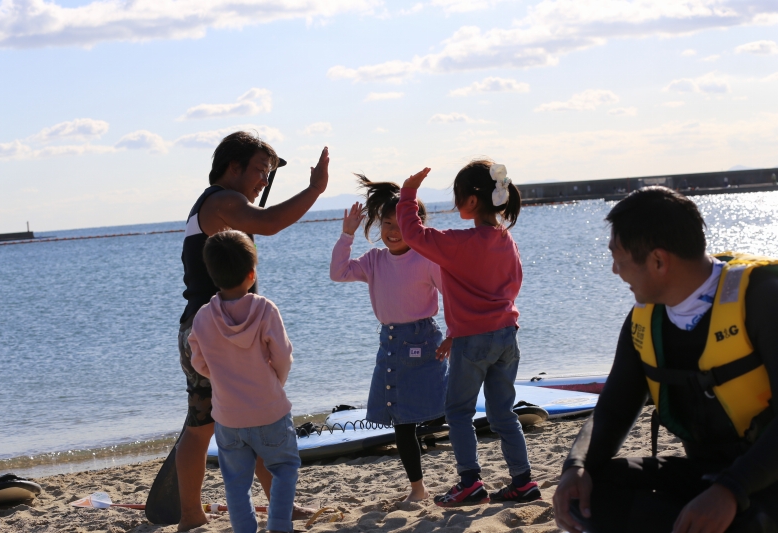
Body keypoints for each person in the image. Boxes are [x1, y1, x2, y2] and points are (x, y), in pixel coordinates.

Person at [552, 186, 778, 533]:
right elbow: (613, 410)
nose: (615, 270)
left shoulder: (763, 299)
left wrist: (731, 490)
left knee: (750, 522)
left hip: (763, 476)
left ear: (658, 261)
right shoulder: (645, 321)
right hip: (709, 474)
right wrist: (576, 465)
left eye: (619, 257)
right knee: (597, 490)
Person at [177, 131, 326, 530]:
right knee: (202, 425)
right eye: (261, 170)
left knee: (251, 417)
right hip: (208, 329)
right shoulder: (224, 201)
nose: (264, 180)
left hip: (223, 325)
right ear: (233, 166)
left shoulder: (221, 203)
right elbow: (270, 222)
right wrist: (314, 190)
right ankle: (190, 514)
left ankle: (280, 504)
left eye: (269, 173)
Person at [396, 161, 540, 507]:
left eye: (458, 196)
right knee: (503, 412)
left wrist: (408, 195)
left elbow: (413, 234)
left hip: (472, 339)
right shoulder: (507, 240)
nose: (455, 202)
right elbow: (515, 284)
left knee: (459, 411)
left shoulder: (459, 243)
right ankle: (523, 480)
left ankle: (469, 482)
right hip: (507, 334)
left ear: (472, 201)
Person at [329, 175, 448, 501]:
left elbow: (450, 297)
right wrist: (347, 235)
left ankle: (468, 476)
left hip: (424, 342)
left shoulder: (426, 259)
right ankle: (418, 490)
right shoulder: (375, 260)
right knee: (402, 423)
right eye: (385, 223)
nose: (393, 231)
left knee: (443, 409)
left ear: (416, 223)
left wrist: (454, 334)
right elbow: (338, 272)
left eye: (400, 223)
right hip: (391, 344)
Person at [190, 230, 299, 533]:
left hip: (228, 417)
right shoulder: (265, 309)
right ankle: (279, 526)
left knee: (236, 484)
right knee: (285, 469)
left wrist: (221, 377)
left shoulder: (202, 318)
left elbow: (199, 363)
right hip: (270, 411)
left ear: (213, 276)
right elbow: (283, 356)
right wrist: (274, 382)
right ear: (252, 274)